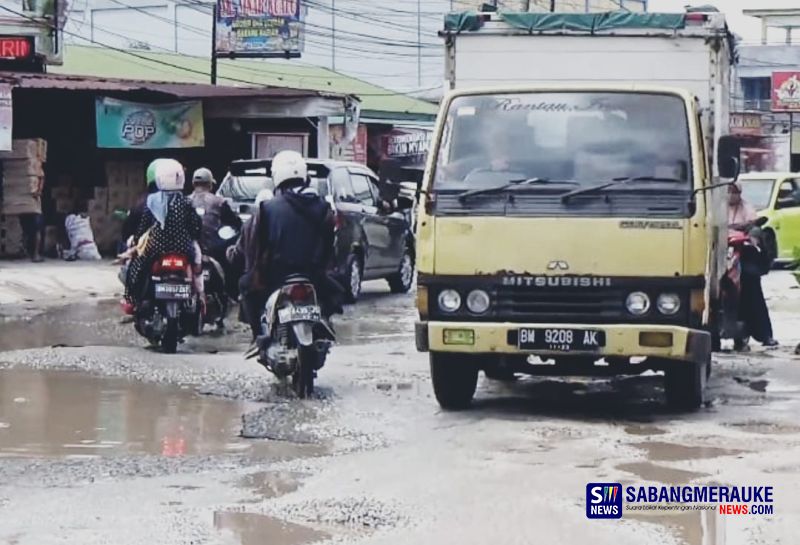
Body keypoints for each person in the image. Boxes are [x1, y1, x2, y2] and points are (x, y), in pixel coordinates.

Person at [239, 151, 342, 343]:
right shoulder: (323, 207)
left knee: (246, 287)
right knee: (335, 293)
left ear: (276, 176)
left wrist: (253, 270)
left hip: (276, 275)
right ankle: (325, 322)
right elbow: (330, 245)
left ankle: (258, 336)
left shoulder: (267, 208)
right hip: (314, 273)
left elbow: (255, 246)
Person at [122, 158, 203, 315]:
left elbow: (144, 226)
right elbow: (195, 226)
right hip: (184, 248)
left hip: (156, 248)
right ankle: (199, 297)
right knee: (198, 267)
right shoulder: (186, 202)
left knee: (135, 268)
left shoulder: (152, 201)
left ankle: (131, 300)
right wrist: (194, 238)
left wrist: (137, 242)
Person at [728, 182, 778, 348]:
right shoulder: (716, 208)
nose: (731, 195)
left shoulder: (747, 209)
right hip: (719, 258)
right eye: (728, 192)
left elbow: (753, 227)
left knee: (752, 288)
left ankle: (764, 335)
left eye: (734, 192)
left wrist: (745, 232)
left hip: (743, 258)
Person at [188, 167, 243, 299]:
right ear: (210, 184)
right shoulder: (219, 202)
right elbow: (236, 224)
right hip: (212, 251)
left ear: (193, 184)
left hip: (189, 250)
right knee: (233, 256)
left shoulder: (185, 201)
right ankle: (231, 294)